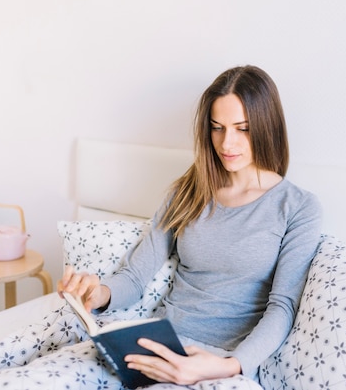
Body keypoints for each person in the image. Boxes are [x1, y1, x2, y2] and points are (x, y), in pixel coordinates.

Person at [58, 65, 322, 387]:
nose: (227, 143)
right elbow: (136, 275)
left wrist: (226, 366)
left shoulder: (297, 207)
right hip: (160, 345)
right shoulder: (188, 191)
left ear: (267, 128)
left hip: (222, 363)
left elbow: (282, 307)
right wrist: (95, 294)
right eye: (217, 127)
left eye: (242, 128)